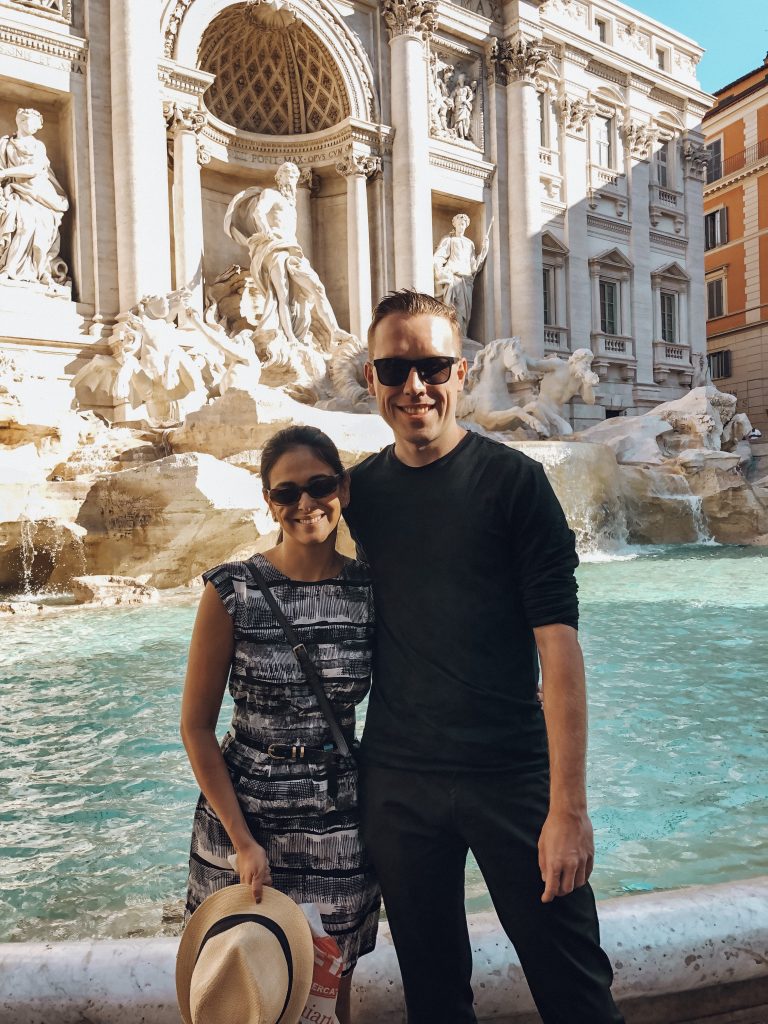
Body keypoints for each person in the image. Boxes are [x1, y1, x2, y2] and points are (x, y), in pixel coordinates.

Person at [344, 290, 624, 1023]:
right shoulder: (358, 495)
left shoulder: (516, 485)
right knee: (434, 1004)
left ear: (462, 373)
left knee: (577, 996)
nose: (415, 387)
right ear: (371, 379)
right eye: (395, 368)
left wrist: (570, 810)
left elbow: (559, 651)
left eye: (433, 366)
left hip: (512, 780)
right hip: (399, 785)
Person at [181, 425, 380, 1024]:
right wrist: (242, 840)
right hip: (246, 822)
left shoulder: (368, 590)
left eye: (318, 486)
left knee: (327, 995)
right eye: (285, 493)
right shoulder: (232, 589)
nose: (304, 504)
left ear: (341, 487)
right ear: (267, 500)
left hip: (338, 819)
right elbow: (196, 727)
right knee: (247, 992)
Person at [0, 107, 69, 286]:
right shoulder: (6, 143)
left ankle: (37, 271)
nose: (36, 126)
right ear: (21, 122)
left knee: (41, 225)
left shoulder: (38, 145)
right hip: (17, 191)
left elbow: (35, 169)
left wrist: (5, 173)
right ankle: (9, 269)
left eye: (37, 124)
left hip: (40, 194)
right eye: (32, 122)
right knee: (24, 224)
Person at [433, 213, 489, 338]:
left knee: (465, 312)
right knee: (452, 309)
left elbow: (474, 266)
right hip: (453, 278)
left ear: (466, 226)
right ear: (455, 225)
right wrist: (442, 273)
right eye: (459, 224)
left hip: (466, 280)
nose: (461, 226)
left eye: (463, 224)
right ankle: (452, 336)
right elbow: (438, 258)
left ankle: (462, 335)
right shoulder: (449, 240)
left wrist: (484, 250)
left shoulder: (470, 244)